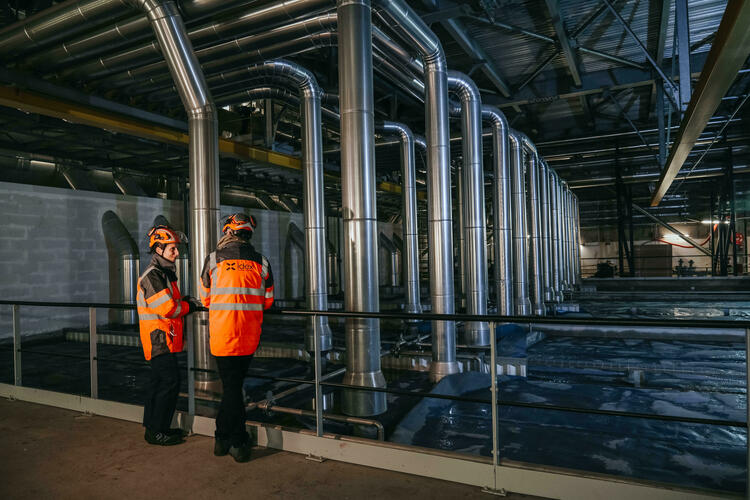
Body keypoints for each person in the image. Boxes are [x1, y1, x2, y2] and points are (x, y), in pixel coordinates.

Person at [200, 213, 274, 462]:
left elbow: (205, 299)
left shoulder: (213, 260)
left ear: (228, 232)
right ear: (248, 234)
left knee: (231, 388)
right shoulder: (262, 262)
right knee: (233, 387)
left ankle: (233, 441)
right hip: (249, 336)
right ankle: (226, 439)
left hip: (223, 335)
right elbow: (269, 301)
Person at [137, 225, 202, 446]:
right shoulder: (153, 275)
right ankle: (157, 432)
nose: (176, 253)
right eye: (172, 249)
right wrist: (188, 306)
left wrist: (183, 301)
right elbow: (168, 308)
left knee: (158, 384)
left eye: (176, 249)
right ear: (158, 249)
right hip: (158, 339)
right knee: (169, 383)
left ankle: (156, 429)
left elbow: (171, 303)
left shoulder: (164, 274)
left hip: (163, 339)